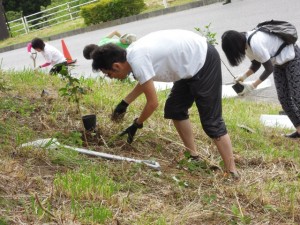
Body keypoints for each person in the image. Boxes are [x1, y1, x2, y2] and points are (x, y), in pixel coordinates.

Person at [88, 29, 239, 179]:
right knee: (175, 109)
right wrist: (125, 103)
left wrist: (137, 124)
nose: (111, 78)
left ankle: (232, 172)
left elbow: (153, 103)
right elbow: (145, 79)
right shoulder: (131, 55)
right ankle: (193, 156)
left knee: (211, 122)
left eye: (109, 74)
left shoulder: (137, 60)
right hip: (188, 61)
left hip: (203, 60)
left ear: (116, 66)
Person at [221, 29, 300, 138]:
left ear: (236, 45)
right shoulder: (246, 44)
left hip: (292, 58)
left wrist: (253, 85)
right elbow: (256, 64)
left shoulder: (255, 43)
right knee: (284, 98)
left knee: (297, 97)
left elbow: (268, 69)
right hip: (278, 63)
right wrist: (243, 77)